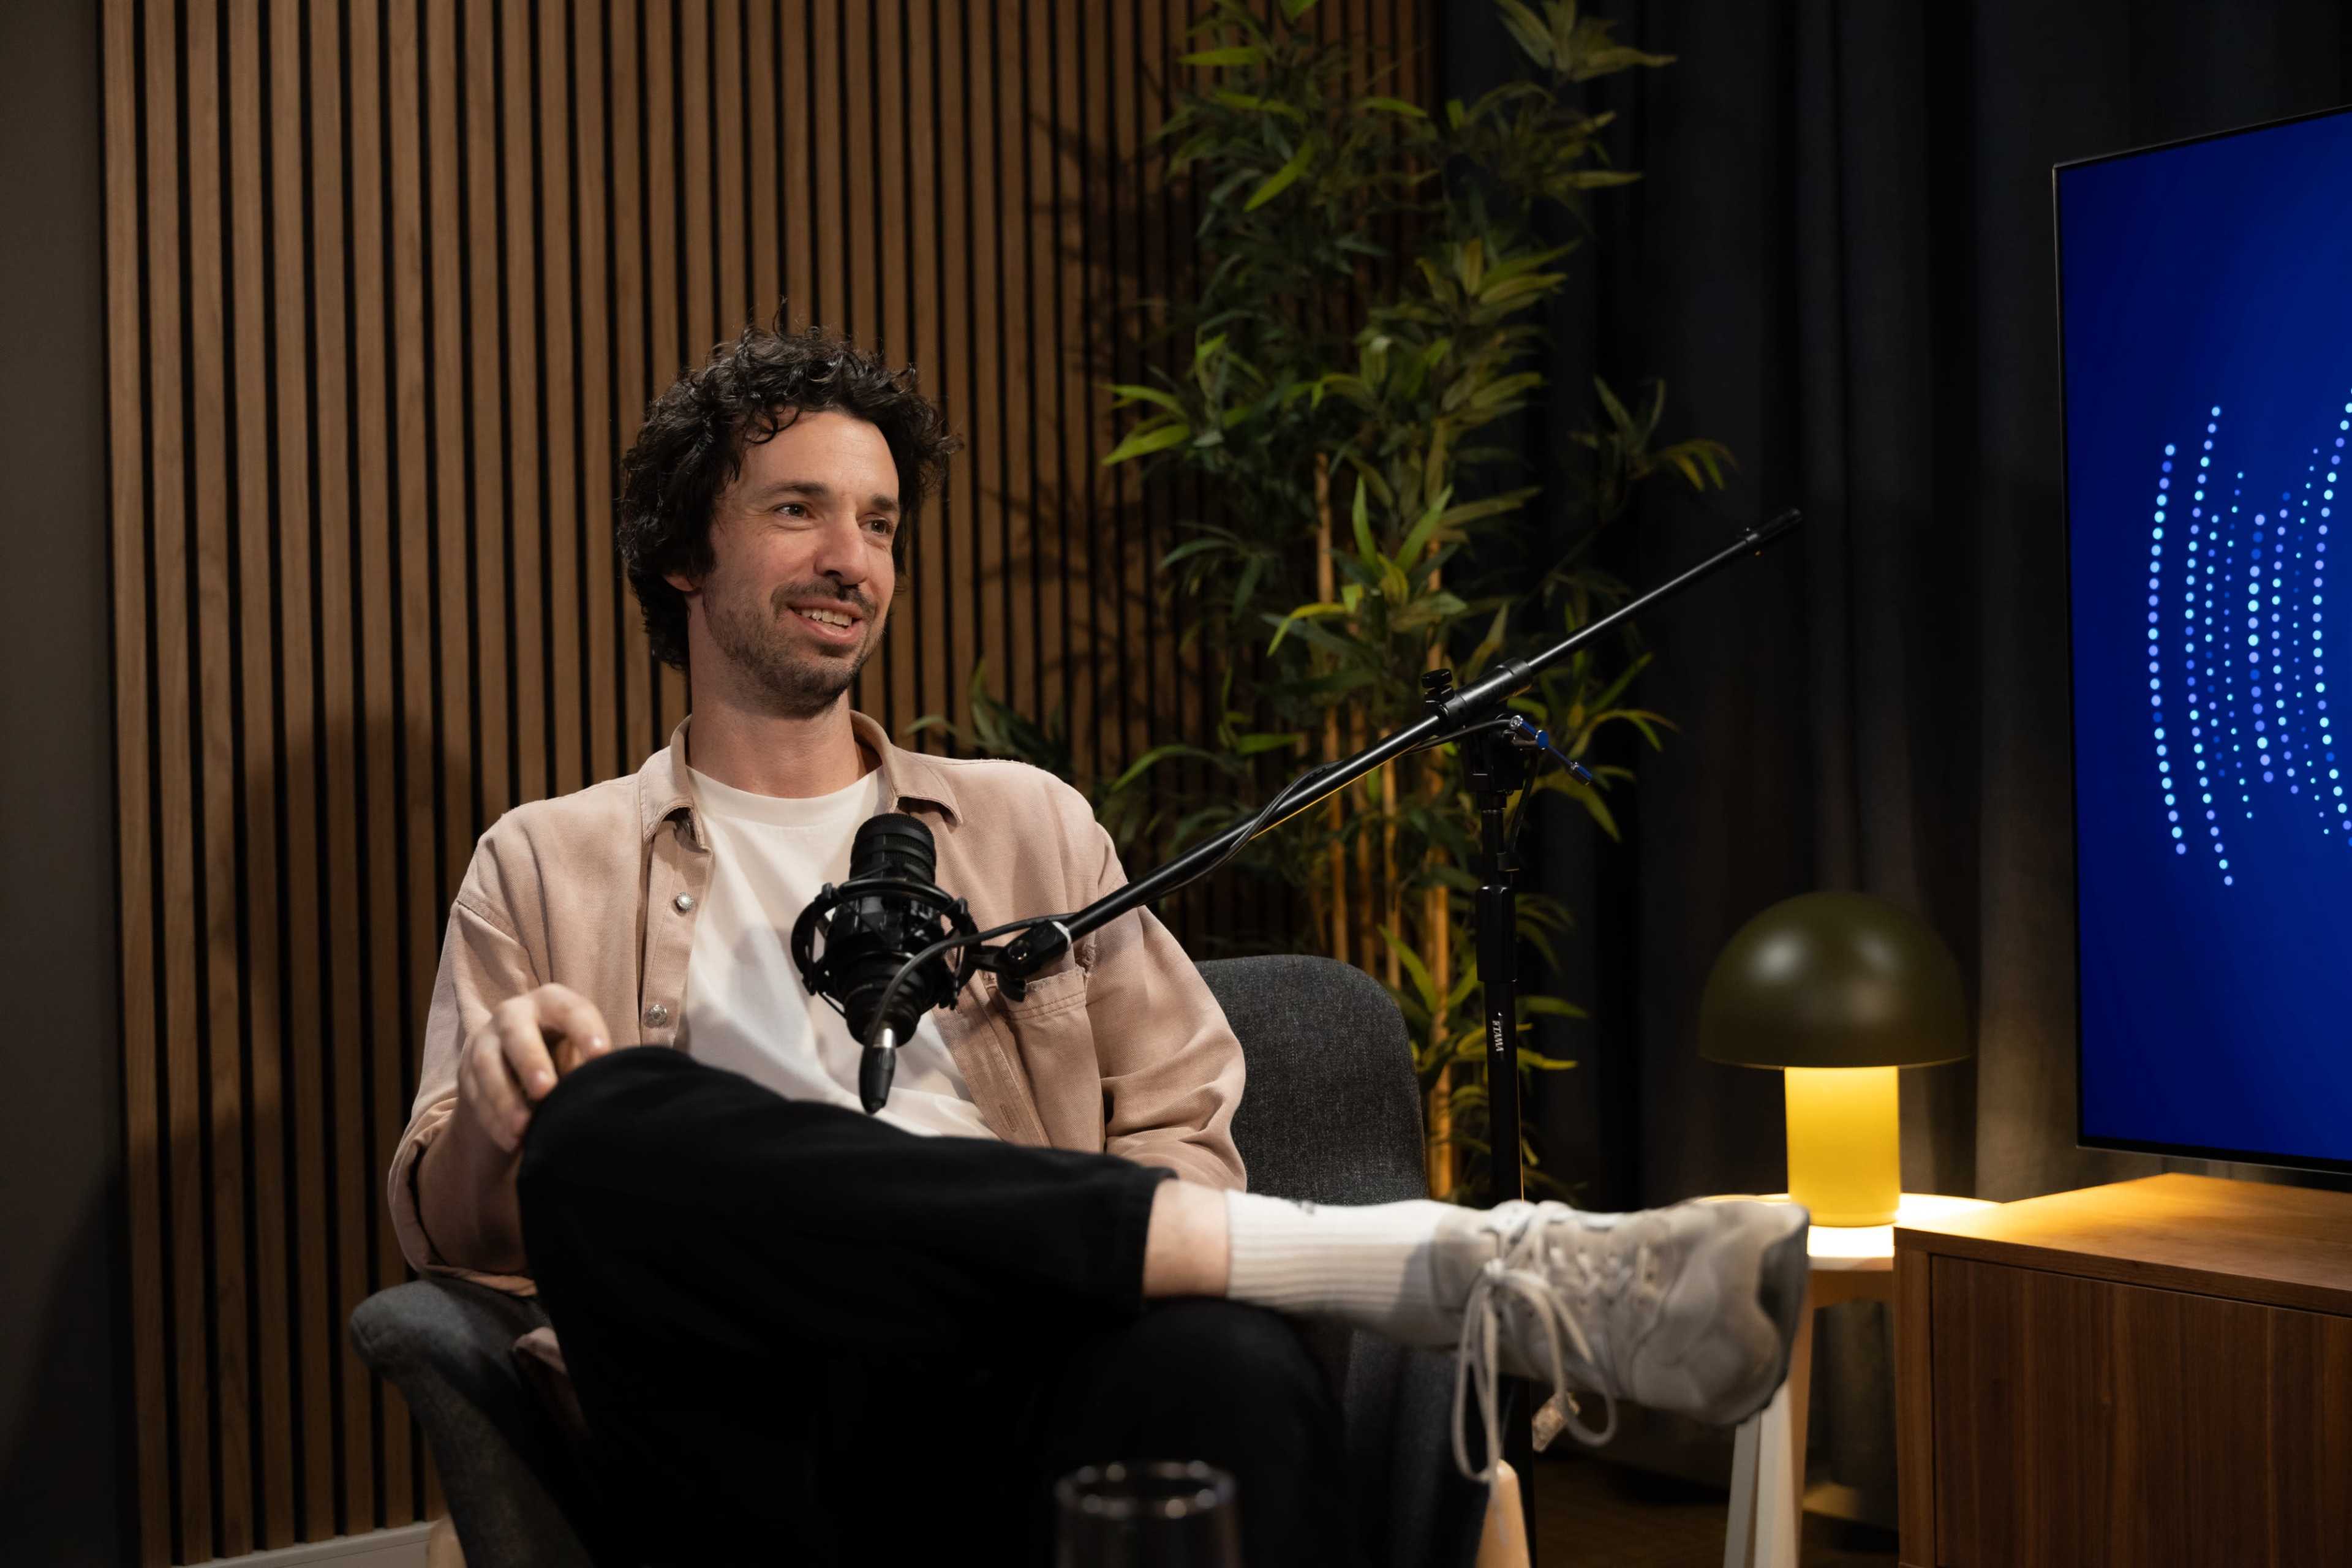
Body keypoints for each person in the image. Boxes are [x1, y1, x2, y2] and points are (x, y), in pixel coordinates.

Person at [389, 323, 1810, 1566]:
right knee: (601, 1126)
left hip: (1033, 1373)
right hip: (745, 1410)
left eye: (881, 523)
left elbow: (1187, 1123)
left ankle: (1372, 1271)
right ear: (686, 549)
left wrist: (1017, 1262)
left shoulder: (1031, 826)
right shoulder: (547, 855)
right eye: (801, 511)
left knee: (1227, 1361)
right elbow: (456, 1225)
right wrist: (508, 1115)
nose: (852, 559)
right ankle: (1408, 1261)